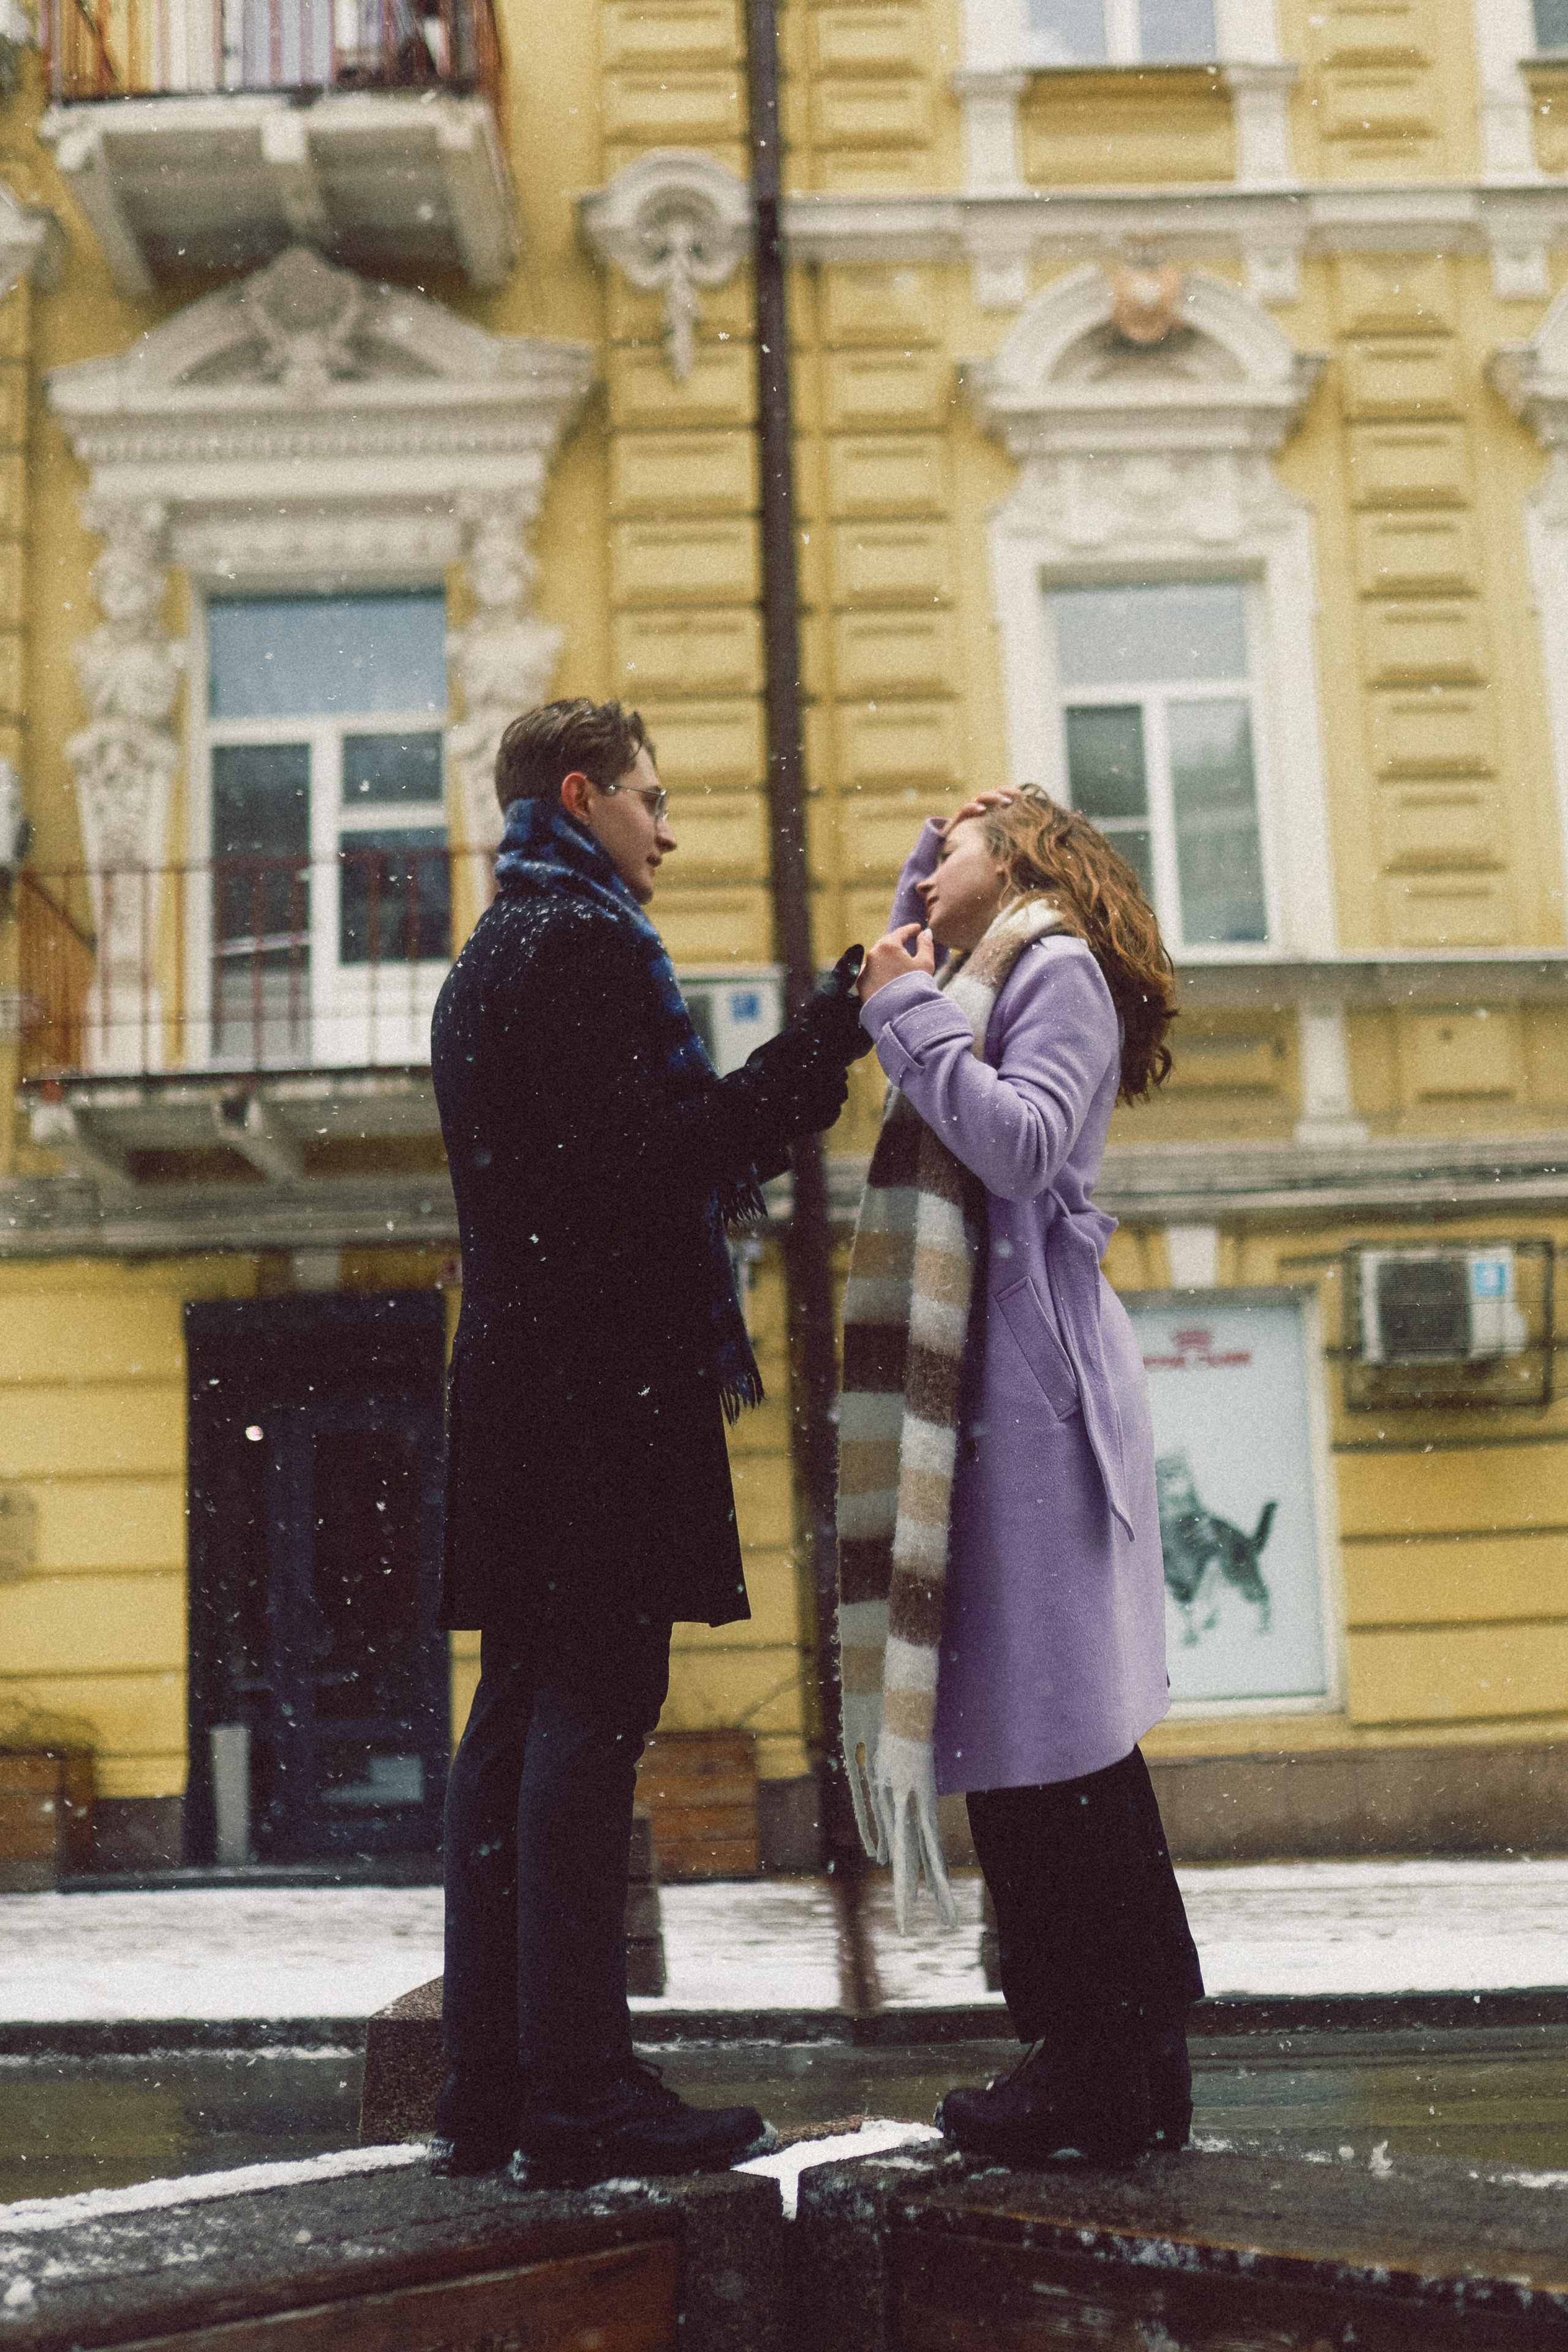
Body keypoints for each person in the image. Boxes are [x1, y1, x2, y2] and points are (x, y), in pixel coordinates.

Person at [431, 696, 867, 2187]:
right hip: (596, 1390)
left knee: (519, 1715)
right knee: (589, 1713)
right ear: (580, 796)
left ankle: (488, 2082)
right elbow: (662, 1159)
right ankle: (576, 2089)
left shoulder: (489, 955)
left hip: (518, 1377)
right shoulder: (585, 947)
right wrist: (832, 1030)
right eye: (648, 799)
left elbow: (580, 1173)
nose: (667, 830)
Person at [837, 783, 1203, 2168]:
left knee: (1049, 1744)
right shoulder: (994, 969)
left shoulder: (1051, 968)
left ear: (1026, 860)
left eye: (953, 848)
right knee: (1043, 1741)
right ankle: (1121, 2051)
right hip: (994, 1389)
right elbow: (915, 994)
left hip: (1027, 1392)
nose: (927, 866)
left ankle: (1093, 2058)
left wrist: (901, 1009)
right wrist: (901, 975)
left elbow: (1022, 1139)